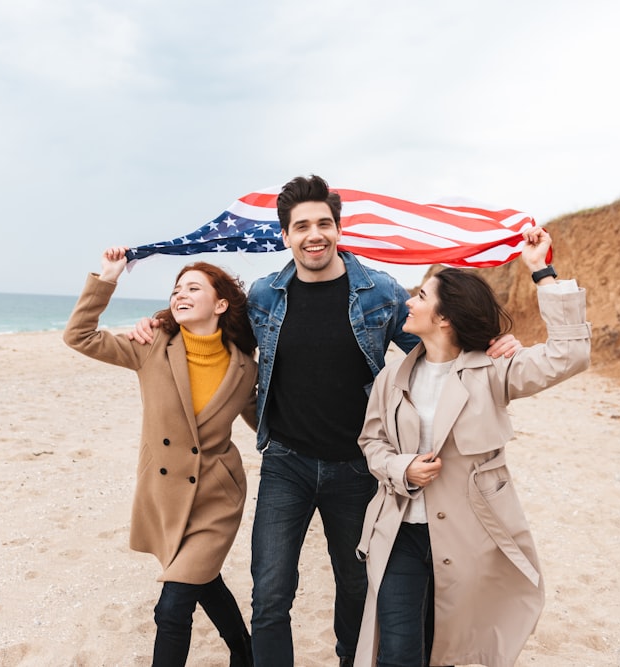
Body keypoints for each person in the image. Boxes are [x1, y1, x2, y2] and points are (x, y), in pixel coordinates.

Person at [130, 175, 520, 666]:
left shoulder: (377, 291)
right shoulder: (266, 296)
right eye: (301, 226)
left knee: (356, 591)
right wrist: (160, 320)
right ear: (286, 236)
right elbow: (215, 329)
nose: (314, 234)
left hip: (357, 467)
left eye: (324, 223)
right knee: (270, 593)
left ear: (338, 228)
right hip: (285, 464)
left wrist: (495, 347)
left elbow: (440, 341)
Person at [353, 227, 592, 667]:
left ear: (445, 317)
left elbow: (570, 354)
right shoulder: (392, 377)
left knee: (449, 652)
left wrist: (542, 271)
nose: (409, 300)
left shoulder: (495, 371)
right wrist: (403, 468)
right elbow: (372, 441)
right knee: (398, 653)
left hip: (471, 537)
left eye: (421, 295)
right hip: (399, 531)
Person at [64, 247, 258, 667]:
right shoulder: (152, 345)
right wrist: (109, 277)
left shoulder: (245, 367)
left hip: (216, 500)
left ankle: (245, 652)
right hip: (166, 497)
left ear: (220, 304)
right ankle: (246, 651)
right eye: (176, 289)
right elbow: (78, 336)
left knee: (172, 608)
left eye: (193, 288)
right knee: (200, 582)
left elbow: (264, 422)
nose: (180, 295)